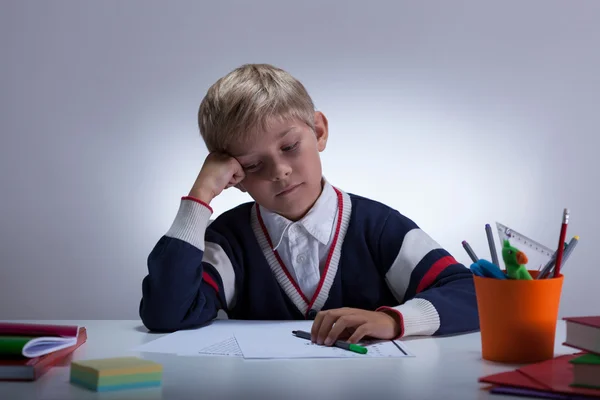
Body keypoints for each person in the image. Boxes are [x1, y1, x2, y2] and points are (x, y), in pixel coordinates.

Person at [139, 63, 479, 346]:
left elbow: (473, 295)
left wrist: (392, 320)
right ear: (235, 177)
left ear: (318, 132)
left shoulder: (378, 227)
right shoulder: (230, 242)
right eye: (254, 165)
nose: (280, 171)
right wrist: (200, 196)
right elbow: (166, 313)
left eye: (289, 147)